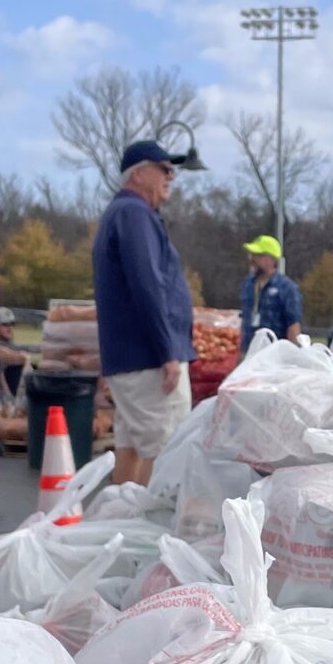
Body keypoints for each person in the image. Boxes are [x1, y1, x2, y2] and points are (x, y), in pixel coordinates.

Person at [92, 140, 196, 487]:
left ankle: (117, 527)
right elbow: (147, 285)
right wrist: (167, 351)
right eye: (163, 168)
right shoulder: (134, 215)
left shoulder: (123, 214)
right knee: (166, 451)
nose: (172, 176)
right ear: (137, 174)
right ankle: (148, 535)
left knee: (131, 449)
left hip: (133, 360)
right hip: (148, 361)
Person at [239, 235, 303, 354]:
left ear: (271, 259)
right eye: (252, 254)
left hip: (274, 356)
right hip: (249, 355)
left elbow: (293, 325)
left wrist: (290, 358)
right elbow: (244, 321)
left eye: (258, 255)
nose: (252, 259)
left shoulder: (286, 287)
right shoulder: (248, 284)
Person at [0, 306, 33, 396]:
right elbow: (1, 355)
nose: (10, 328)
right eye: (5, 324)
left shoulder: (13, 346)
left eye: (12, 324)